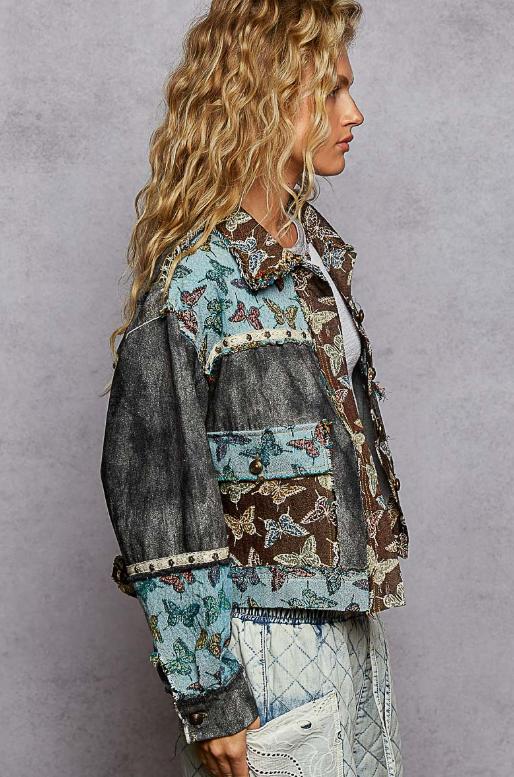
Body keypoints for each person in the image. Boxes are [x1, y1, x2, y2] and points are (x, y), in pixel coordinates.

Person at [100, 1, 410, 775]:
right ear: (268, 97)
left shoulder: (312, 256)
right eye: (332, 90)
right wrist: (210, 692)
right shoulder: (195, 279)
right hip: (264, 648)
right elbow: (158, 496)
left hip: (351, 626)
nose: (354, 113)